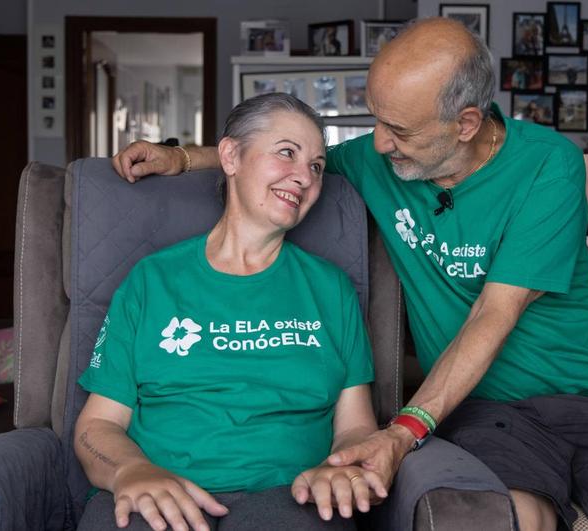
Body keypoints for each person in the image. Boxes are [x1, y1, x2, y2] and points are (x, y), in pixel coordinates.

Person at [112, 18, 588, 531]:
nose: (379, 142)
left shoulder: (547, 164)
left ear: (466, 124)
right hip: (490, 412)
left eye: (400, 130)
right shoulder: (382, 156)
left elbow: (494, 312)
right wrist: (184, 156)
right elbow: (277, 158)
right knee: (502, 516)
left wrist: (403, 431)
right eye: (377, 121)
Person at [77, 93, 388, 531]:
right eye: (286, 153)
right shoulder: (152, 281)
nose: (304, 176)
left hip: (291, 496)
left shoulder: (330, 289)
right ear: (231, 156)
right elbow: (97, 427)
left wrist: (340, 468)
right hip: (161, 494)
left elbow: (355, 427)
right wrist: (132, 471)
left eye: (317, 166)